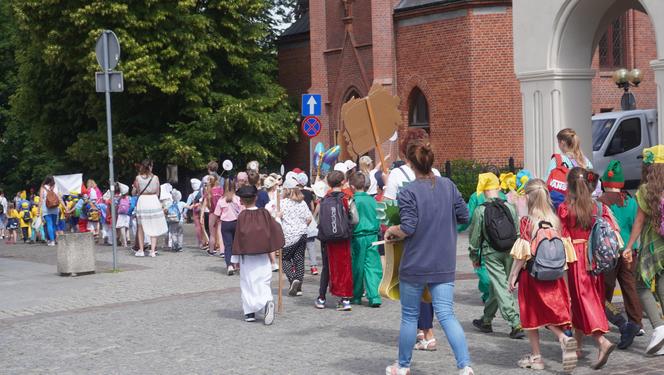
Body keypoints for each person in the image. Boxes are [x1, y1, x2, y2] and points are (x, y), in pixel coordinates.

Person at [384, 138, 473, 375]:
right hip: (444, 260)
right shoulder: (448, 185)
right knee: (447, 314)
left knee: (410, 317)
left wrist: (393, 230)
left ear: (411, 165)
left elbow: (408, 228)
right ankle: (465, 366)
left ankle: (402, 366)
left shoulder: (408, 192)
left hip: (415, 263)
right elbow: (464, 216)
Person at [507, 179, 578, 372]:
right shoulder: (554, 220)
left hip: (532, 275)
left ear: (528, 197)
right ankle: (561, 339)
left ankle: (542, 354)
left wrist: (512, 276)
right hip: (554, 275)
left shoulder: (527, 221)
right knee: (550, 313)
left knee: (531, 315)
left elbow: (522, 254)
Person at [383, 129, 443, 350]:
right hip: (434, 236)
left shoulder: (398, 175)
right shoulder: (436, 172)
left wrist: (389, 229)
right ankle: (427, 331)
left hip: (407, 236)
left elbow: (387, 208)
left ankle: (422, 332)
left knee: (412, 287)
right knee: (427, 286)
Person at [558, 167, 617, 369]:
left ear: (570, 185)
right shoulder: (597, 207)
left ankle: (602, 341)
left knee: (582, 301)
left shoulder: (566, 208)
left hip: (575, 258)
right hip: (594, 259)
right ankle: (579, 344)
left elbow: (563, 236)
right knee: (589, 299)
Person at [468, 173, 524, 339]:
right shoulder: (510, 206)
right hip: (510, 251)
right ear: (498, 188)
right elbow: (517, 231)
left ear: (483, 190)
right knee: (497, 286)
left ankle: (515, 323)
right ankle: (486, 320)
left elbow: (475, 238)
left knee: (500, 286)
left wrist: (474, 258)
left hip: (491, 253)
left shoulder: (481, 210)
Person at [597, 160, 642, 349]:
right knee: (629, 287)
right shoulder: (631, 201)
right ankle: (637, 323)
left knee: (603, 292)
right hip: (630, 250)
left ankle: (605, 319)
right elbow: (635, 225)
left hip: (610, 253)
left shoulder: (602, 202)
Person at [624, 145, 664, 356]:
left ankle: (658, 328)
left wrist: (629, 246)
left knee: (640, 284)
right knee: (663, 285)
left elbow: (639, 222)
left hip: (653, 246)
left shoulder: (646, 190)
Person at [231, 185, 284, 324]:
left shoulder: (242, 216)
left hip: (247, 256)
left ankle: (250, 312)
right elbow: (273, 228)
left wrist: (234, 258)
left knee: (248, 282)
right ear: (256, 198)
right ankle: (267, 301)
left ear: (241, 201)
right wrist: (278, 218)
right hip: (263, 254)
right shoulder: (264, 213)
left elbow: (238, 237)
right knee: (264, 280)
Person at [458, 165, 507, 307]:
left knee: (488, 273)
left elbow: (466, 219)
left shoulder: (501, 196)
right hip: (486, 242)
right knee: (485, 273)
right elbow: (467, 218)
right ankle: (489, 295)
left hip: (495, 241)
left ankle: (489, 295)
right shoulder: (478, 196)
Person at [315, 170, 354, 311]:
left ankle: (321, 298)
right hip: (343, 238)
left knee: (327, 267)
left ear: (329, 183)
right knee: (344, 267)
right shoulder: (347, 197)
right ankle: (345, 300)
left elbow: (319, 218)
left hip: (327, 240)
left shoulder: (324, 198)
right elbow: (355, 218)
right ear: (343, 182)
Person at [348, 171, 382, 307]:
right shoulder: (372, 200)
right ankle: (374, 296)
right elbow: (379, 217)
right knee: (373, 265)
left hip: (358, 236)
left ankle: (356, 295)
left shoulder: (354, 200)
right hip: (373, 235)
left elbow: (353, 219)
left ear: (352, 186)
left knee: (357, 266)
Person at [278, 176, 312, 296]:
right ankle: (299, 287)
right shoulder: (302, 203)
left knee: (285, 259)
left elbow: (276, 218)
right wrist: (301, 225)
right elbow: (309, 218)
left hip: (289, 235)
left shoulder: (282, 203)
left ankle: (293, 279)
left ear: (286, 190)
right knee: (299, 260)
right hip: (302, 233)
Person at [132, 159, 168, 257]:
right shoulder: (155, 178)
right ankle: (152, 251)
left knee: (140, 226)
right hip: (153, 200)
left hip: (143, 200)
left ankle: (141, 250)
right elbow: (157, 191)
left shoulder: (138, 178)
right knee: (154, 225)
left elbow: (136, 191)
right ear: (150, 166)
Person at [215, 178, 243, 275]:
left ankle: (229, 265)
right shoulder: (238, 199)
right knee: (237, 245)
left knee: (228, 246)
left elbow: (217, 214)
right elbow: (242, 211)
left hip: (226, 224)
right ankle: (238, 264)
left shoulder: (221, 200)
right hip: (236, 223)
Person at [201, 175, 223, 256]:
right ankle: (222, 251)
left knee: (212, 234)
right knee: (220, 233)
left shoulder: (208, 191)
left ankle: (211, 250)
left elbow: (205, 204)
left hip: (212, 213)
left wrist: (201, 215)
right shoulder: (221, 190)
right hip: (220, 214)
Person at [40, 176, 63, 246]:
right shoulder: (55, 187)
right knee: (54, 224)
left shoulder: (43, 187)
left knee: (49, 224)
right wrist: (65, 207)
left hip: (46, 208)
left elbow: (40, 199)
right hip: (55, 208)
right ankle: (55, 239)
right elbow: (59, 198)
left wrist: (38, 210)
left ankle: (52, 240)